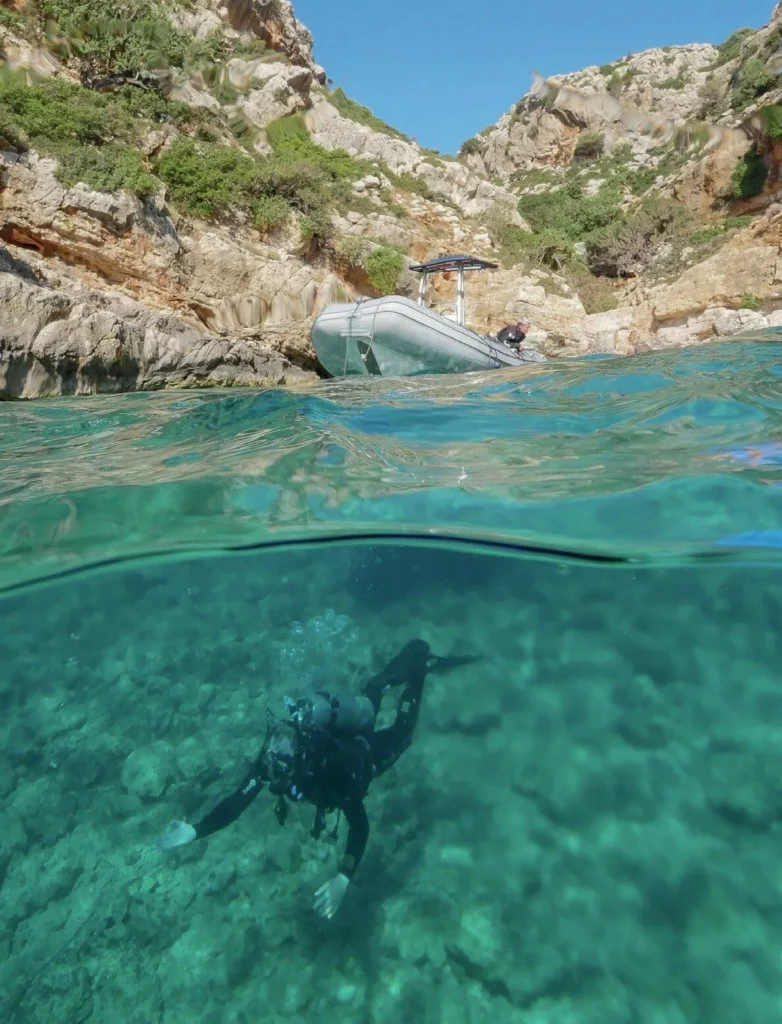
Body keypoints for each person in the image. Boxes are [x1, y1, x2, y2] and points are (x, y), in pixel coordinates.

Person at [156, 639, 475, 919]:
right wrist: (196, 830)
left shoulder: (331, 772)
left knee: (402, 733)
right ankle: (390, 675)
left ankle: (420, 671)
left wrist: (344, 877)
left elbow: (360, 825)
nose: (274, 777)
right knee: (370, 699)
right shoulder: (273, 759)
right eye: (272, 766)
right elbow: (238, 800)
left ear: (300, 762)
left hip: (365, 756)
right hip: (343, 735)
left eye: (282, 770)